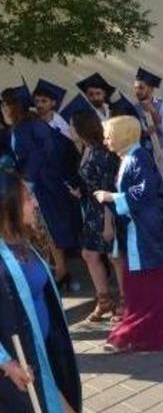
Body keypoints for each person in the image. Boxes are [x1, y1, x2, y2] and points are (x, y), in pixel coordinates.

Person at [94, 116, 163, 352]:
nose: (105, 141)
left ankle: (134, 332)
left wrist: (111, 197)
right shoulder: (132, 156)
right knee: (162, 273)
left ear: (123, 135)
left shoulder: (136, 157)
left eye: (109, 136)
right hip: (146, 228)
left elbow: (144, 193)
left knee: (144, 283)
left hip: (144, 231)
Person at [0, 171, 81, 413]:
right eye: (27, 198)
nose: (35, 202)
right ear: (7, 207)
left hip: (45, 355)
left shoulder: (23, 241)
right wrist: (6, 363)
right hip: (20, 368)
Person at [1, 87, 82, 290]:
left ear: (15, 106)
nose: (3, 108)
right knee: (41, 228)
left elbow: (42, 154)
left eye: (6, 103)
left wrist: (27, 181)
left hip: (43, 184)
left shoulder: (32, 125)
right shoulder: (19, 127)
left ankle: (61, 270)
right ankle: (56, 270)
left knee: (48, 228)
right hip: (33, 183)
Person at [70, 110, 125, 322]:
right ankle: (104, 300)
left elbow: (108, 188)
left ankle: (125, 300)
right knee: (89, 254)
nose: (70, 129)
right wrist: (80, 191)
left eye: (72, 125)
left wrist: (109, 223)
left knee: (114, 256)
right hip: (92, 208)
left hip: (106, 210)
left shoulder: (102, 154)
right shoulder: (86, 149)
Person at [133, 68, 163, 157]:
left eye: (141, 88)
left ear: (151, 90)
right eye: (135, 88)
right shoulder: (134, 108)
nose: (137, 91)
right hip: (142, 154)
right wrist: (144, 134)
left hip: (160, 154)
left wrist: (153, 111)